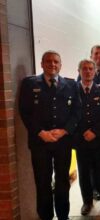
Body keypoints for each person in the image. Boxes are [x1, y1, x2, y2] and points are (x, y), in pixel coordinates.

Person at [19, 50, 81, 220]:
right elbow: (25, 112)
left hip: (63, 142)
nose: (52, 64)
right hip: (40, 142)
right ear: (42, 64)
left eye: (55, 62)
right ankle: (45, 216)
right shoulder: (29, 84)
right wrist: (40, 132)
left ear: (60, 65)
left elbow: (77, 112)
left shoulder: (71, 85)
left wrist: (64, 130)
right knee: (42, 181)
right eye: (48, 61)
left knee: (62, 181)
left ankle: (63, 215)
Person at [74, 59, 100, 215]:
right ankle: (87, 202)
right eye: (84, 69)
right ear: (79, 71)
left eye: (91, 68)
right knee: (83, 173)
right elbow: (71, 114)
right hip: (81, 140)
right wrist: (83, 132)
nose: (88, 71)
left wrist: (95, 132)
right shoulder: (72, 90)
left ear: (95, 71)